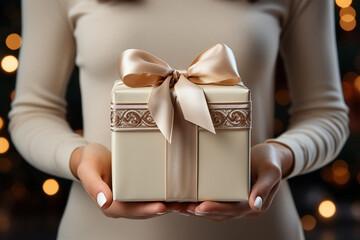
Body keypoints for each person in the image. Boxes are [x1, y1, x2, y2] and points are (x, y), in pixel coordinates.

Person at [9, 0, 349, 239]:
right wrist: (78, 157)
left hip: (259, 231)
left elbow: (326, 113)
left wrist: (282, 155)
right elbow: (32, 111)